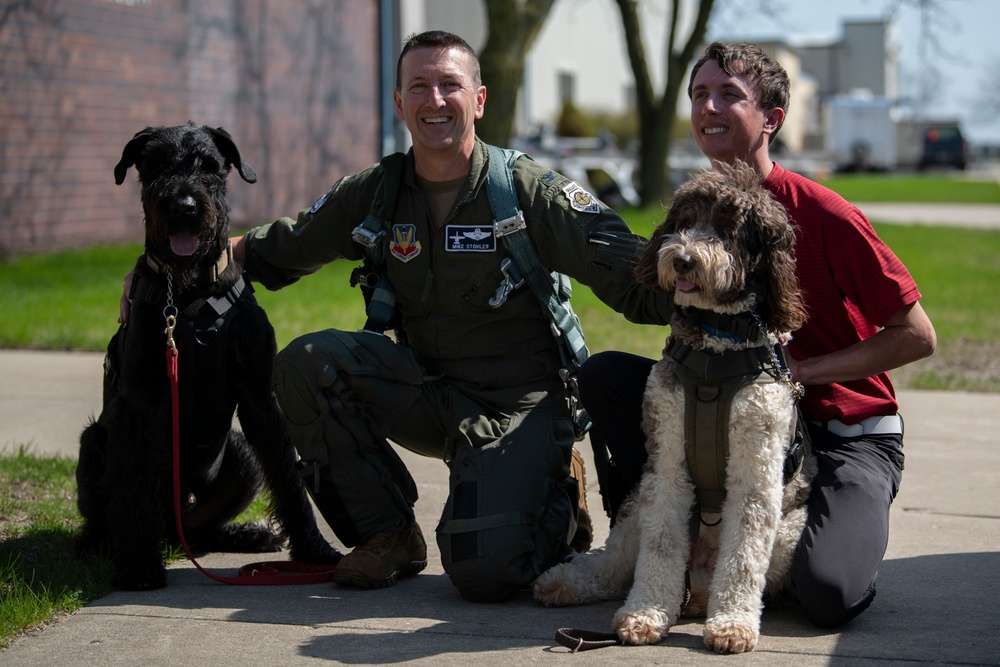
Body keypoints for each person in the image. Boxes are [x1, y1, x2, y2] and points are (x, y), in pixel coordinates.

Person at [205, 31, 670, 602]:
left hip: (517, 404)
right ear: (399, 103)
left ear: (478, 99)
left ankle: (557, 501)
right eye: (419, 86)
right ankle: (388, 535)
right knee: (306, 364)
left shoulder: (523, 191)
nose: (435, 99)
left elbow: (630, 268)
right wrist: (173, 264)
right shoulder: (381, 191)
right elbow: (286, 244)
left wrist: (714, 277)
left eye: (450, 84)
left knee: (484, 573)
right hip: (426, 389)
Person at [577, 41, 936, 628]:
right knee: (608, 378)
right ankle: (660, 546)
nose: (709, 108)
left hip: (843, 426)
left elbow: (918, 336)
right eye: (699, 95)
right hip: (728, 404)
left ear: (772, 118)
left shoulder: (824, 214)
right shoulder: (692, 211)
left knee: (827, 595)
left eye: (729, 95)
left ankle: (805, 546)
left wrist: (800, 373)